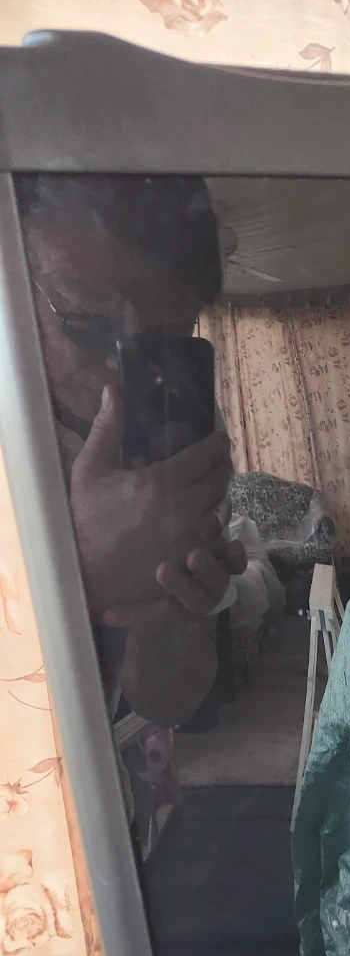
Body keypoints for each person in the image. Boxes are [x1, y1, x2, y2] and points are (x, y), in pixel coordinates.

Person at [15, 173, 246, 730]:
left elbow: (168, 703)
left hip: (112, 772)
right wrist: (84, 574)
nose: (124, 369)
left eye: (163, 341)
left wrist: (171, 614)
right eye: (87, 325)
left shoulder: (177, 427)